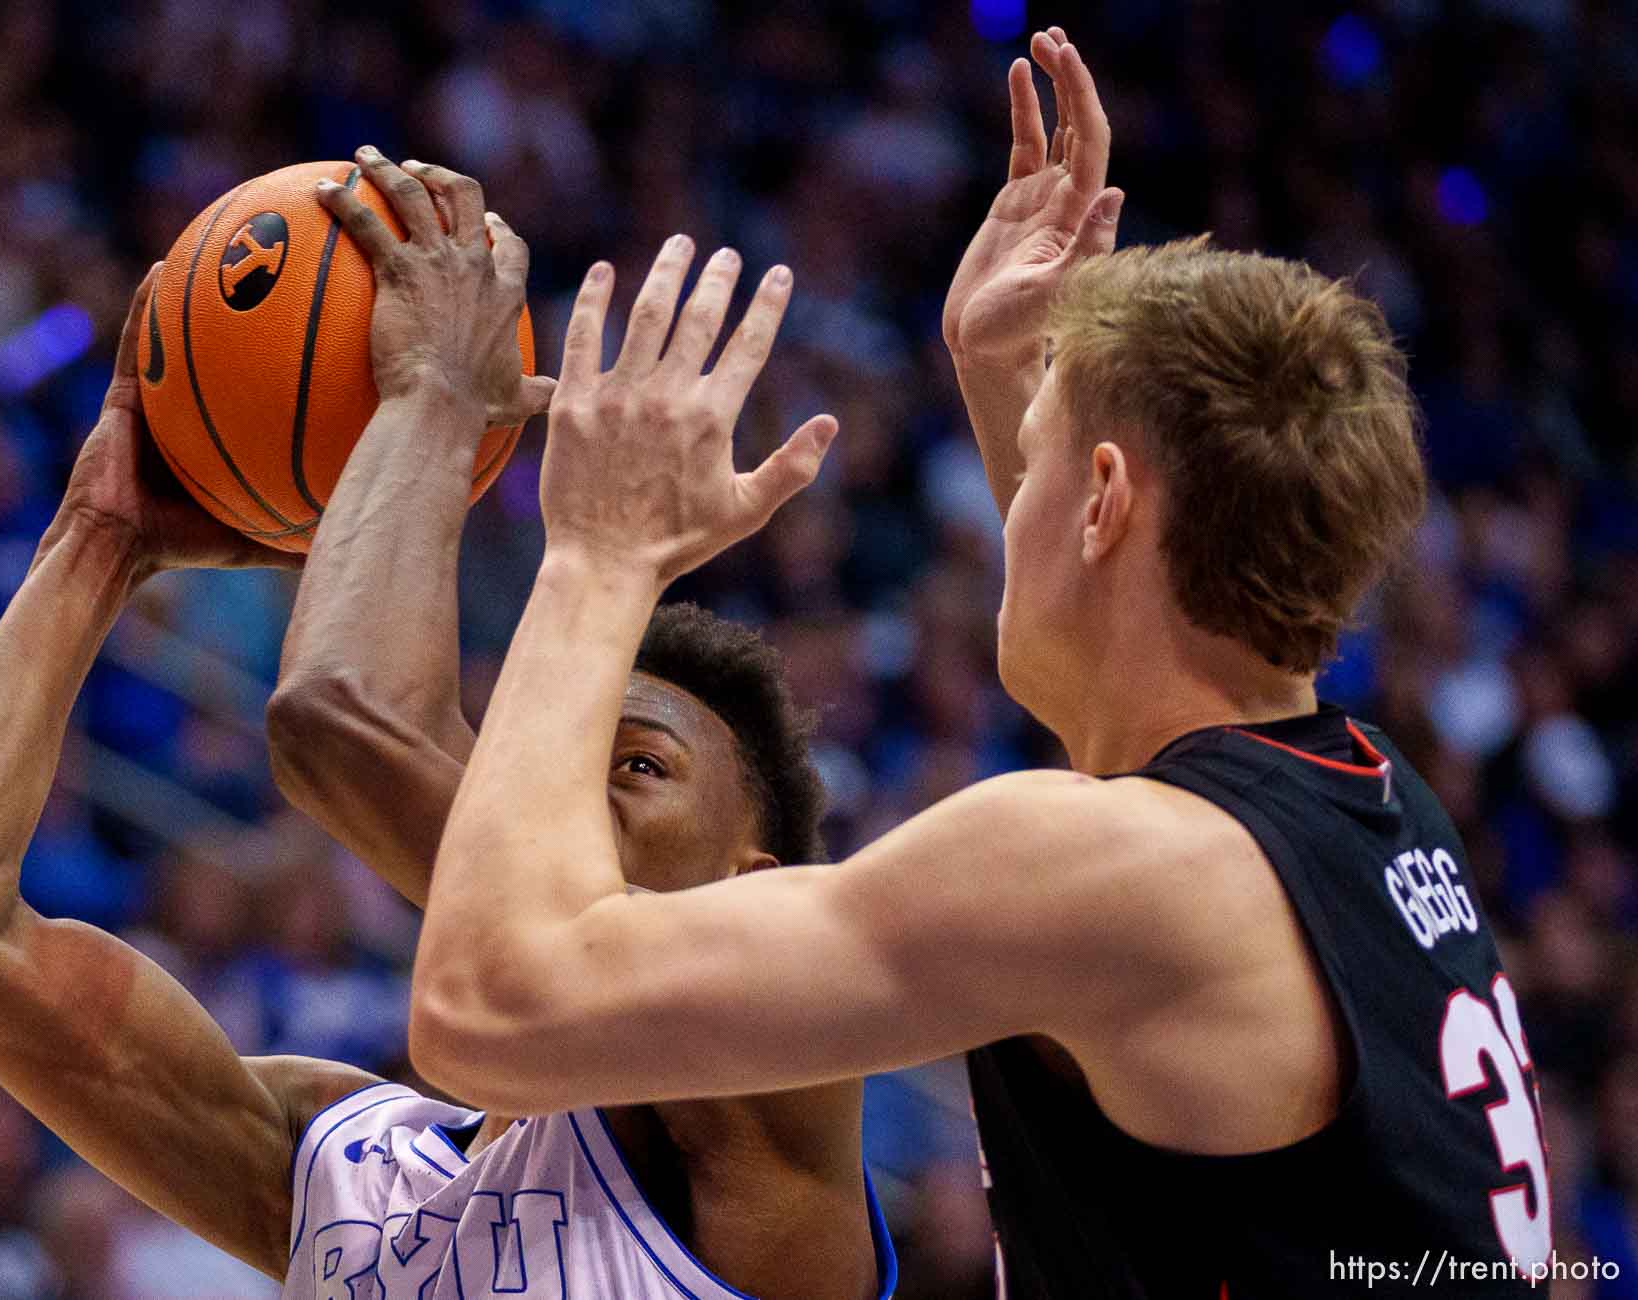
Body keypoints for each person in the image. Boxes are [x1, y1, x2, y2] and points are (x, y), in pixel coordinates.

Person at [403, 28, 1552, 1300]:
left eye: (1047, 448)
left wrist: (599, 558)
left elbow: (486, 1009)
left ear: (1108, 496)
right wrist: (1012, 373)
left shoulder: (1115, 878)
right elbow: (1116, 669)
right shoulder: (1376, 805)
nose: (1012, 504)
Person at [0, 146, 894, 1300]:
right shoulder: (351, 1159)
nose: (550, 785)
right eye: (548, 744)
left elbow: (339, 716)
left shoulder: (778, 1091)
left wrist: (440, 387)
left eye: (638, 765)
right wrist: (100, 543)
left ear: (747, 888)